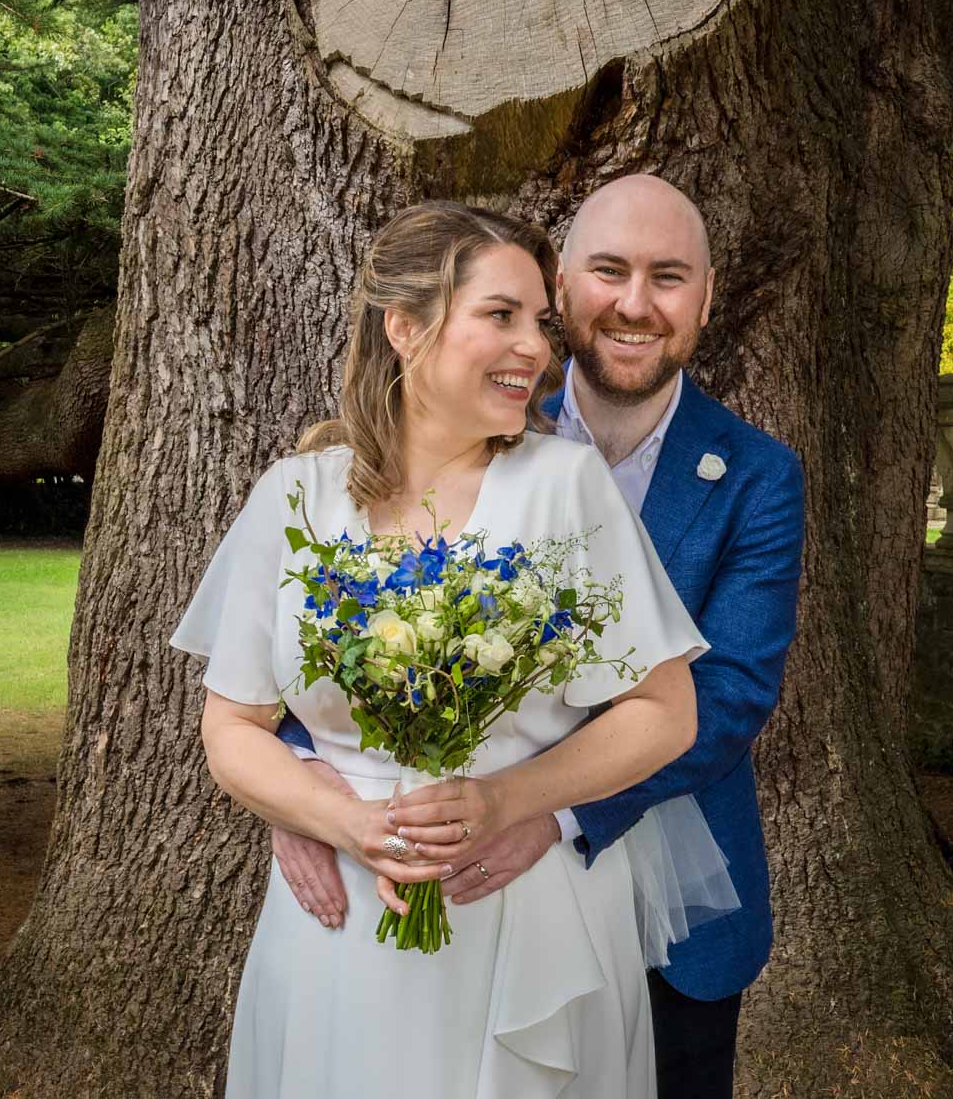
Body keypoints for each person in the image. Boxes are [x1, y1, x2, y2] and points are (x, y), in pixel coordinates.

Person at [276, 175, 807, 1099]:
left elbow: (728, 696)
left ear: (707, 297)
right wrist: (304, 786)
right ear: (560, 285)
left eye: (668, 277)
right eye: (608, 270)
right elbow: (337, 615)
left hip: (672, 874)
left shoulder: (758, 475)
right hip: (456, 871)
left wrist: (552, 814)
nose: (634, 304)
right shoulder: (475, 426)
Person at [170, 201, 712, 1098]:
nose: (536, 348)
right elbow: (232, 725)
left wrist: (504, 799)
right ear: (405, 327)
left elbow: (665, 712)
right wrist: (342, 822)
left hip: (523, 910)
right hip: (337, 917)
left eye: (539, 322)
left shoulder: (564, 486)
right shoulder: (294, 499)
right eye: (500, 316)